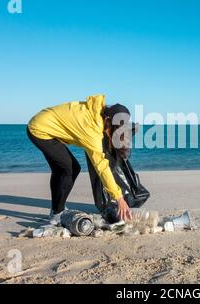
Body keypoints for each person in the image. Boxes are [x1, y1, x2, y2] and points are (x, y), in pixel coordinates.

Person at [27, 94, 133, 225]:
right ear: (107, 120)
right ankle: (57, 213)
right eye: (114, 129)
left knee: (61, 169)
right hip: (40, 130)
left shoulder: (96, 110)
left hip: (42, 122)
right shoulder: (91, 130)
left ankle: (56, 209)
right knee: (70, 169)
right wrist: (119, 198)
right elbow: (101, 167)